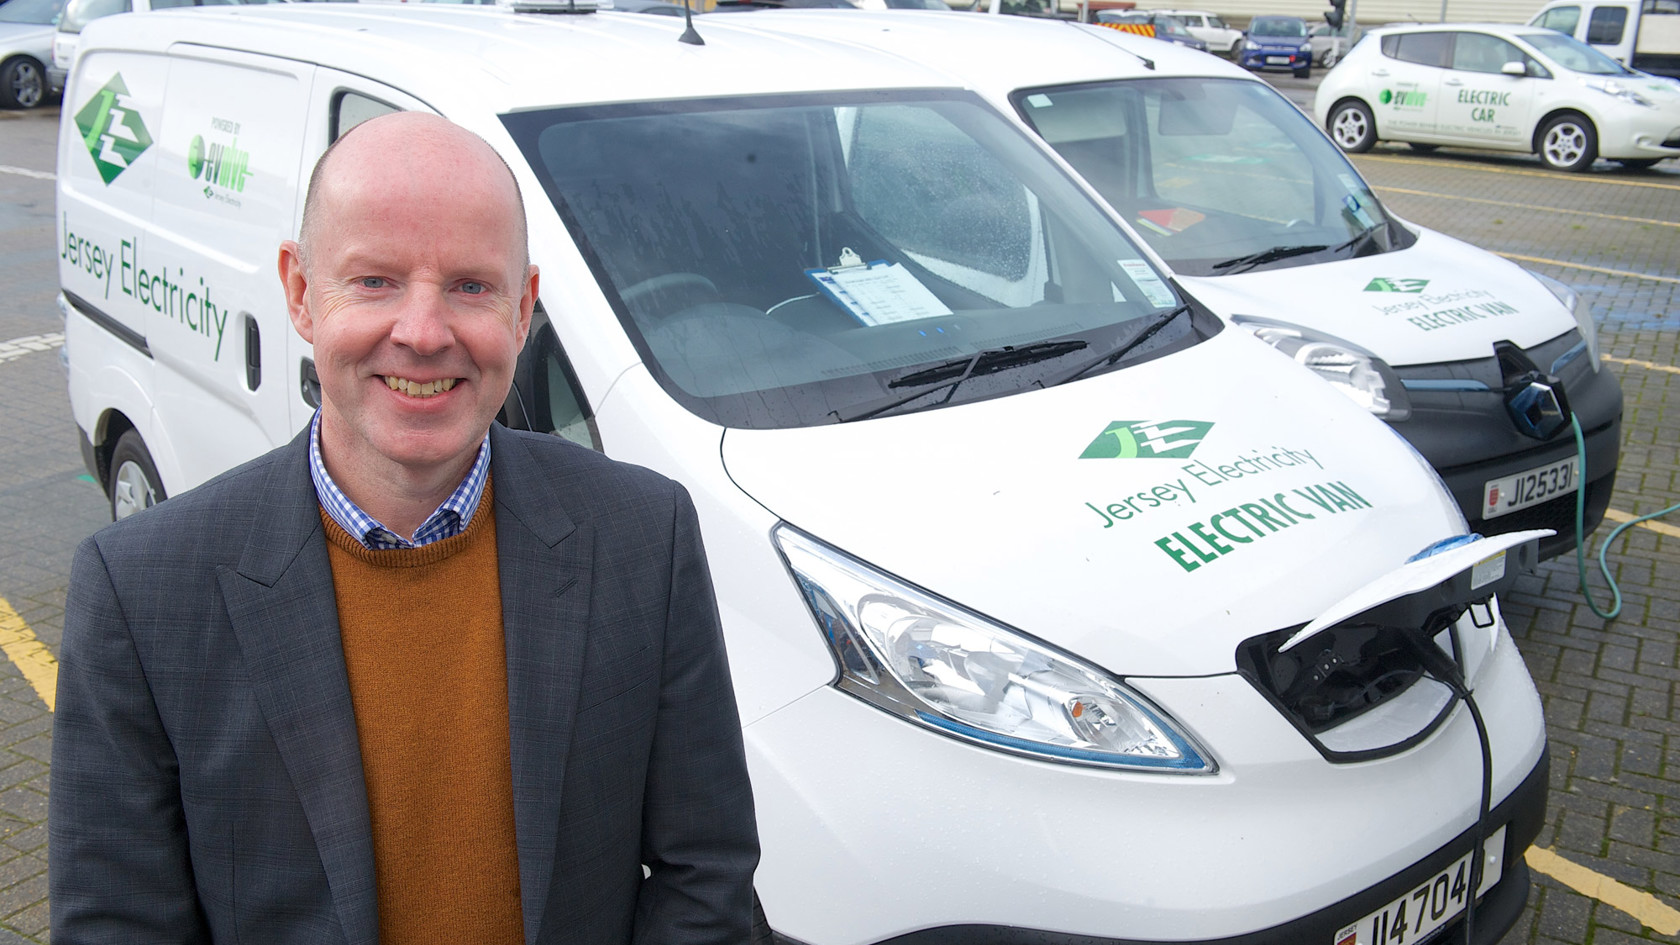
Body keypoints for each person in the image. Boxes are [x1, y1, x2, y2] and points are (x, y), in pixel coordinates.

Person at [49, 112, 760, 945]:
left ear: (523, 307)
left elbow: (704, 876)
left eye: (469, 285)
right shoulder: (138, 595)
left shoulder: (645, 536)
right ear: (300, 292)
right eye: (376, 281)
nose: (423, 334)